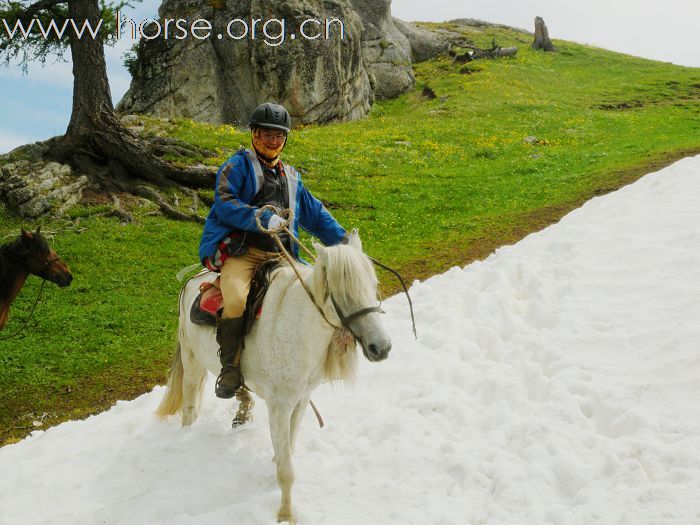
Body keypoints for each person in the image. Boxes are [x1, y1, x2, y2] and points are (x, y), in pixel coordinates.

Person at [199, 102, 347, 399]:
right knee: (237, 300)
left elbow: (315, 214)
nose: (273, 140)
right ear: (254, 134)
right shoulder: (236, 166)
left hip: (282, 256)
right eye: (267, 134)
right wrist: (263, 218)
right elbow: (226, 204)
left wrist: (344, 244)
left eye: (279, 136)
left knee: (316, 294)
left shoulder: (291, 176)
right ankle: (230, 367)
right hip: (244, 253)